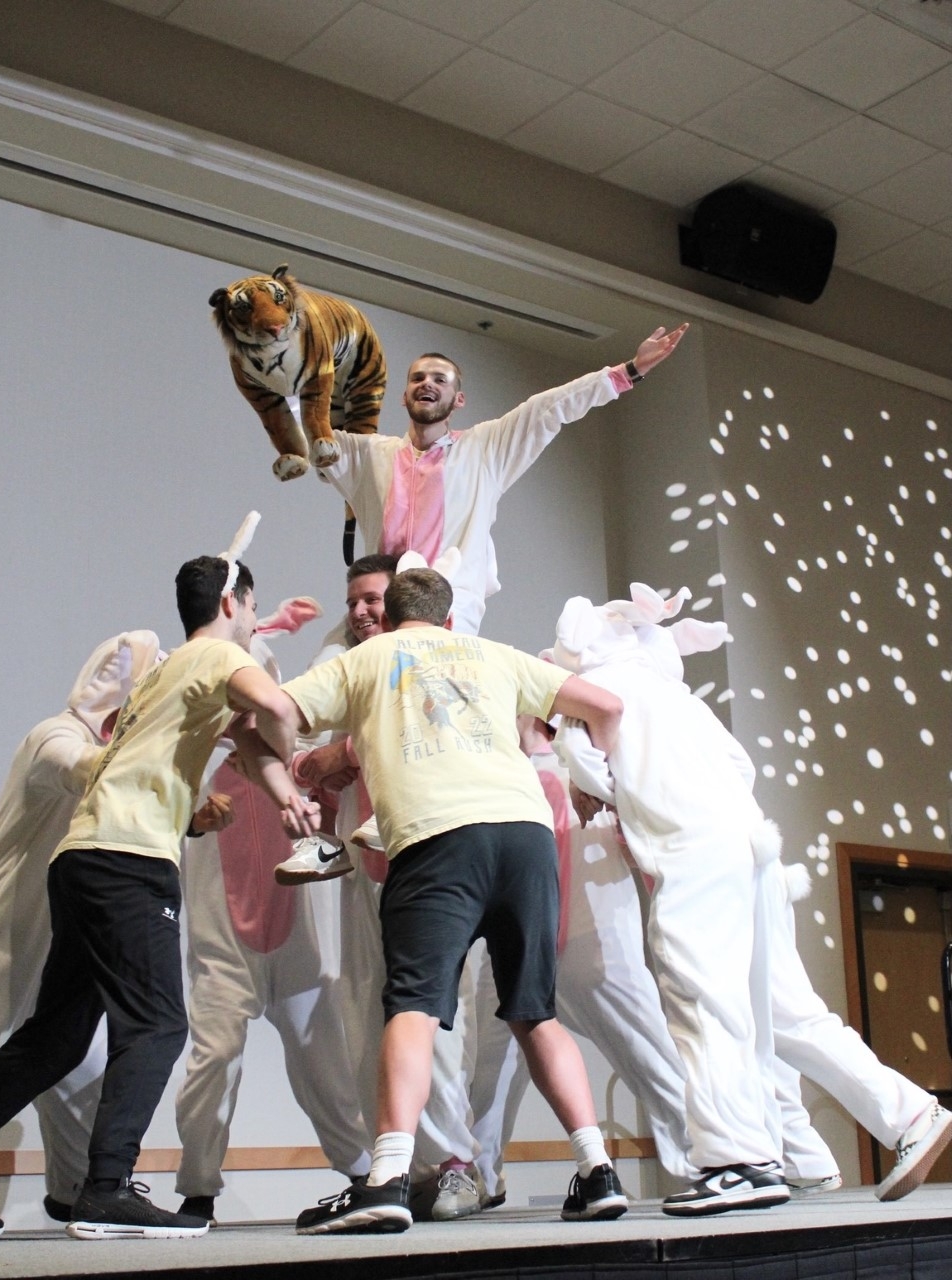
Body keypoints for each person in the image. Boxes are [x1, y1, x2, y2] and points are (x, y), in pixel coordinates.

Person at [0, 521, 317, 1240]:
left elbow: (250, 737)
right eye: (254, 610)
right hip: (130, 862)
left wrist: (287, 792)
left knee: (56, 1036)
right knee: (159, 1023)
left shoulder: (171, 673)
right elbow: (279, 712)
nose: (259, 624)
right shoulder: (207, 662)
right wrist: (297, 748)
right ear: (232, 604)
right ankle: (106, 1189)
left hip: (85, 859)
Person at [552, 584, 952, 1215]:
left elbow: (588, 772)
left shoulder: (589, 699)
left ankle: (737, 1161)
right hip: (753, 847)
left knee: (701, 1001)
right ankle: (910, 1113)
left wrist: (619, 798)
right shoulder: (680, 699)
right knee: (789, 1012)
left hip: (690, 853)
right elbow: (743, 768)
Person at [263, 564, 630, 1233]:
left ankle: (386, 1179)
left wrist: (291, 769)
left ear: (388, 614)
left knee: (412, 1007)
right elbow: (607, 707)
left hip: (439, 839)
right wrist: (604, 777)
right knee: (535, 1014)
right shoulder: (493, 654)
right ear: (449, 616)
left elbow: (281, 710)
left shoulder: (371, 657)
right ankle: (598, 1170)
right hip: (525, 839)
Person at [0, 631, 161, 1223]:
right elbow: (78, 769)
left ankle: (75, 1189)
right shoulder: (55, 736)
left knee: (75, 1065)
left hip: (56, 929)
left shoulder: (109, 749)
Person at [173, 624, 373, 1224]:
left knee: (325, 1065)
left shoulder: (299, 773)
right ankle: (198, 1190)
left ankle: (364, 1176)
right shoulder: (195, 777)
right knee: (213, 1060)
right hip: (225, 950)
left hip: (299, 952)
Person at [320, 326, 688, 634]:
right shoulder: (369, 454)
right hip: (381, 606)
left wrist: (628, 371)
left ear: (458, 398)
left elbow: (549, 408)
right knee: (325, 677)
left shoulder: (485, 448)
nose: (426, 383)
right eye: (417, 378)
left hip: (450, 607)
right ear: (404, 396)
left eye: (439, 379)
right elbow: (306, 432)